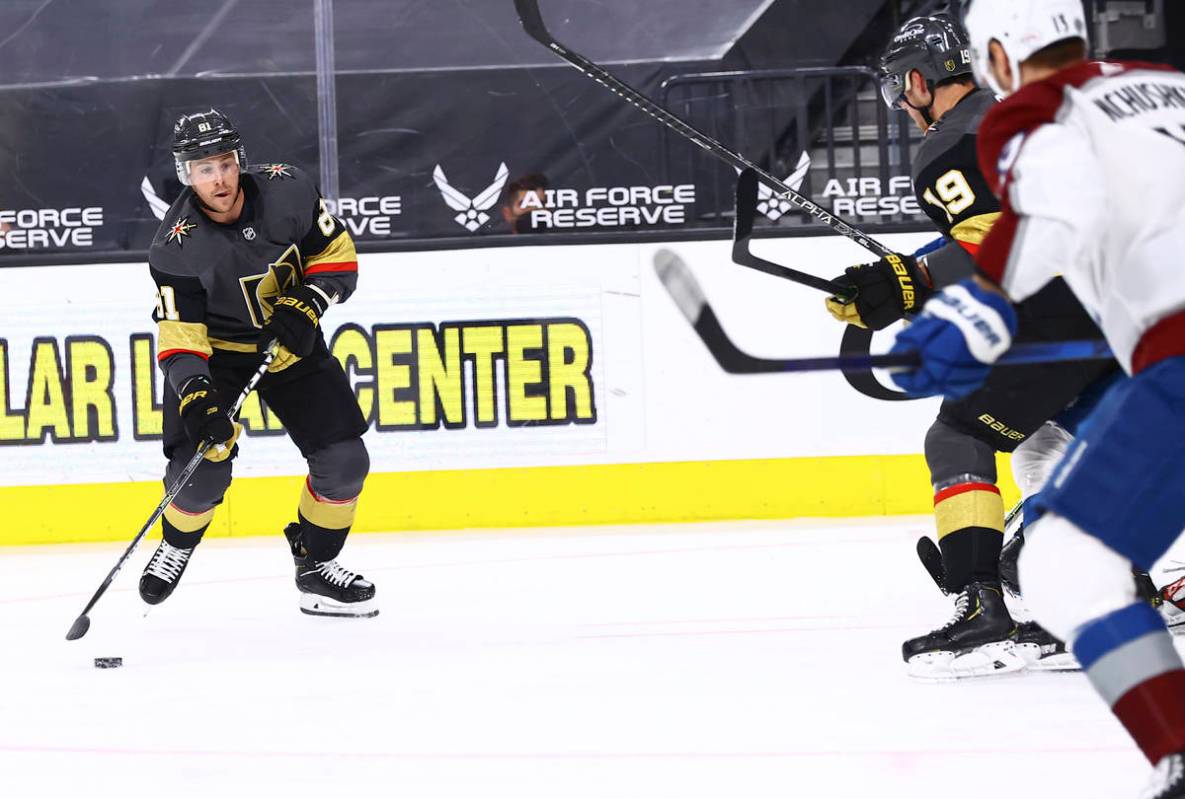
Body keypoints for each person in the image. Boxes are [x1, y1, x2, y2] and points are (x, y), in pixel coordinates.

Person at [890, 1, 1185, 793]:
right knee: (1060, 472)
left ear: (996, 53)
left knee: (1062, 568)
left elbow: (1054, 215)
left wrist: (974, 309)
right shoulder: (1161, 85)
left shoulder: (1029, 111)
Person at [826, 12, 1117, 678]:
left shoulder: (951, 144)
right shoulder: (1028, 113)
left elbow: (1002, 245)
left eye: (902, 86)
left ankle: (979, 605)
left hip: (1071, 320)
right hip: (1127, 306)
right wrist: (911, 275)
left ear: (921, 79)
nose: (901, 100)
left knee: (958, 436)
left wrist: (914, 279)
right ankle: (1112, 591)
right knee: (1049, 444)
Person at [142, 109, 377, 618]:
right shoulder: (174, 247)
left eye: (225, 163)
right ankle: (178, 544)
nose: (219, 178)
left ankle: (315, 565)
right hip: (220, 359)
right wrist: (199, 396)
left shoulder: (287, 190)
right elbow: (181, 336)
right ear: (187, 174)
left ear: (239, 161)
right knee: (201, 470)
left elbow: (335, 252)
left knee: (345, 463)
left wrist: (311, 299)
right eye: (204, 169)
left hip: (289, 342)